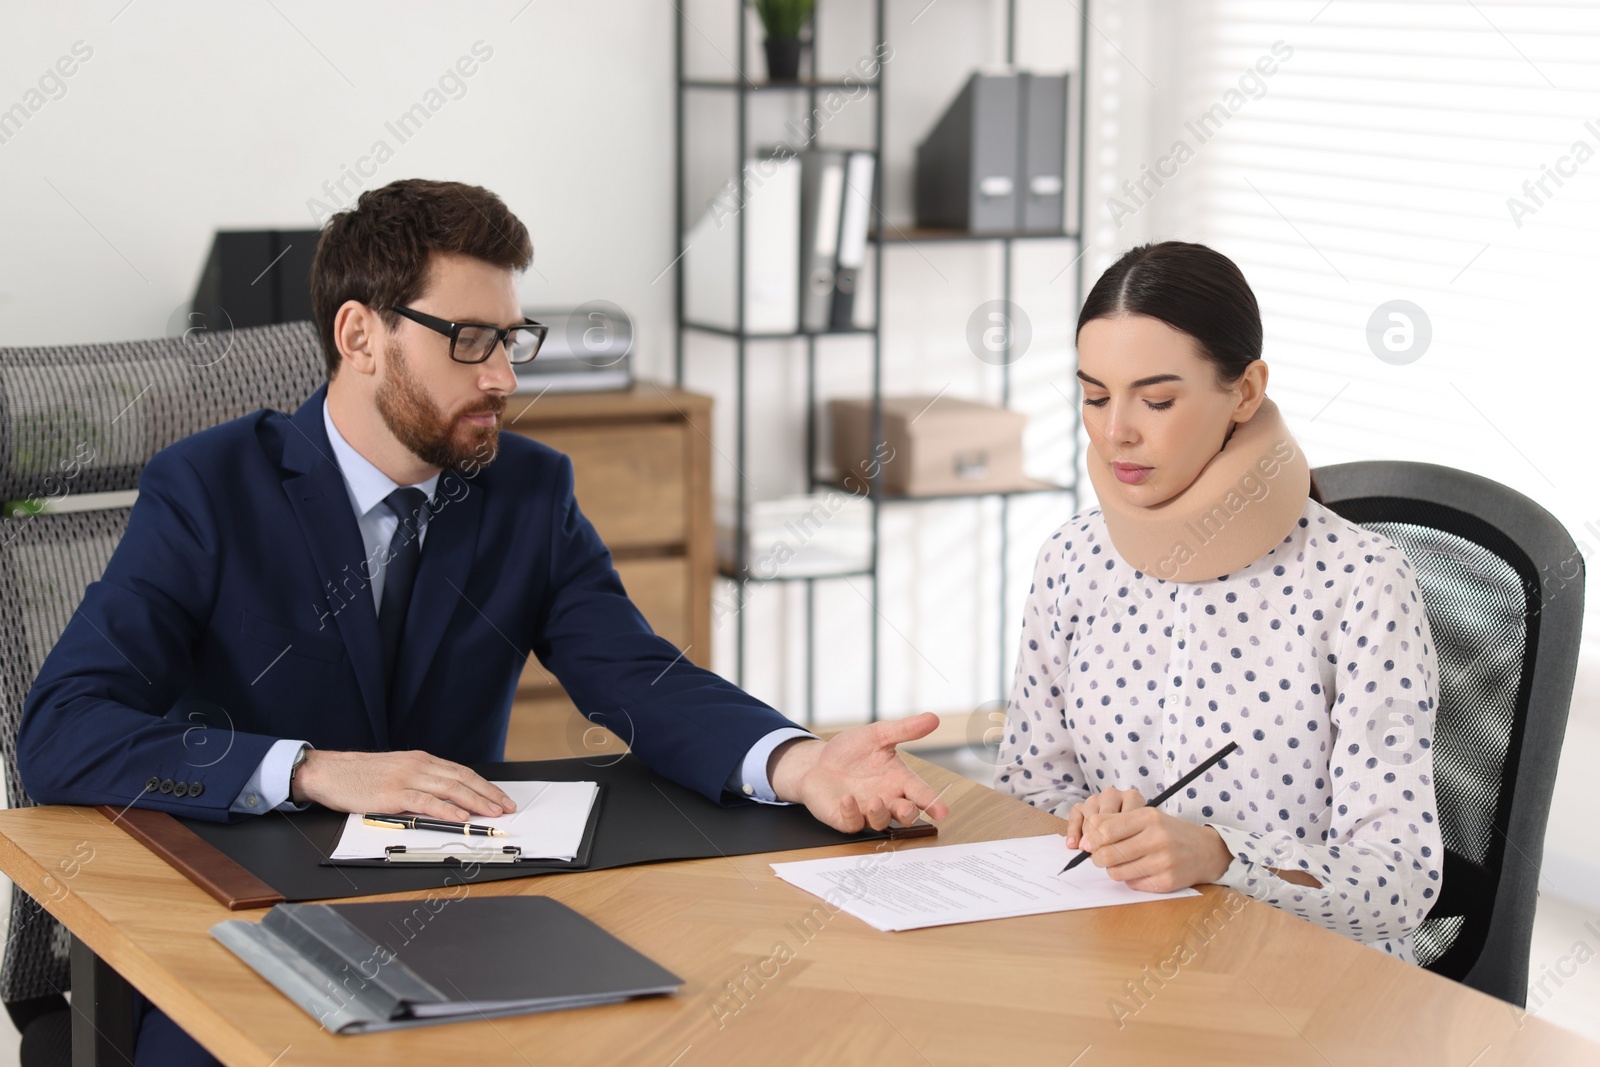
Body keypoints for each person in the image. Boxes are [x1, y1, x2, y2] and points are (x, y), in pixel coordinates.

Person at [18, 179, 949, 1066]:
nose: (503, 375)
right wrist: (308, 766)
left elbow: (634, 674)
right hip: (236, 920)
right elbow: (63, 728)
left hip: (456, 917)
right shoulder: (209, 487)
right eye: (468, 338)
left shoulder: (527, 492)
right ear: (360, 334)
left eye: (511, 338)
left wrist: (796, 761)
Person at [997, 241, 1442, 961]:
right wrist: (1090, 822)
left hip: (1301, 982)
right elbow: (1027, 789)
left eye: (1158, 398)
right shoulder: (1071, 559)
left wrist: (1220, 855)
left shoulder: (1361, 581)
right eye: (1095, 396)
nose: (1116, 433)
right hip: (1115, 952)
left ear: (1245, 390)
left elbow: (1400, 883)